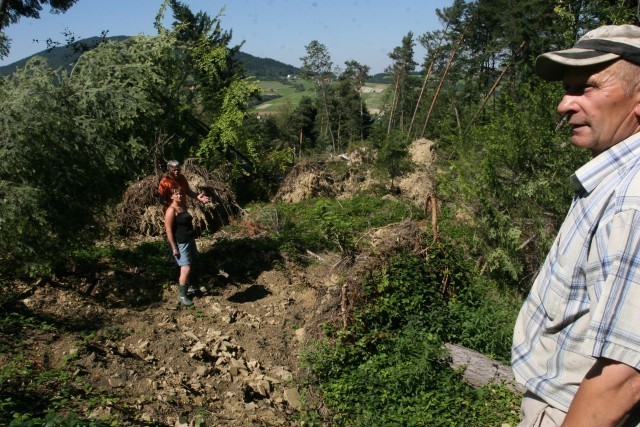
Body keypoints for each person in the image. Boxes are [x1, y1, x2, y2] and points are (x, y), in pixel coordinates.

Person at [512, 25, 640, 426]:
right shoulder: (617, 181)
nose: (564, 104)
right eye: (567, 89)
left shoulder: (631, 200)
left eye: (587, 87)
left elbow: (625, 374)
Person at [164, 186, 198, 306]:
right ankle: (182, 295)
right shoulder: (171, 210)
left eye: (181, 194)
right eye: (176, 194)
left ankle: (188, 287)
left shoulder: (182, 206)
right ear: (171, 196)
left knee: (191, 263)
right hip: (180, 242)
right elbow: (168, 230)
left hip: (189, 240)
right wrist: (174, 247)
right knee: (185, 267)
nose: (179, 196)